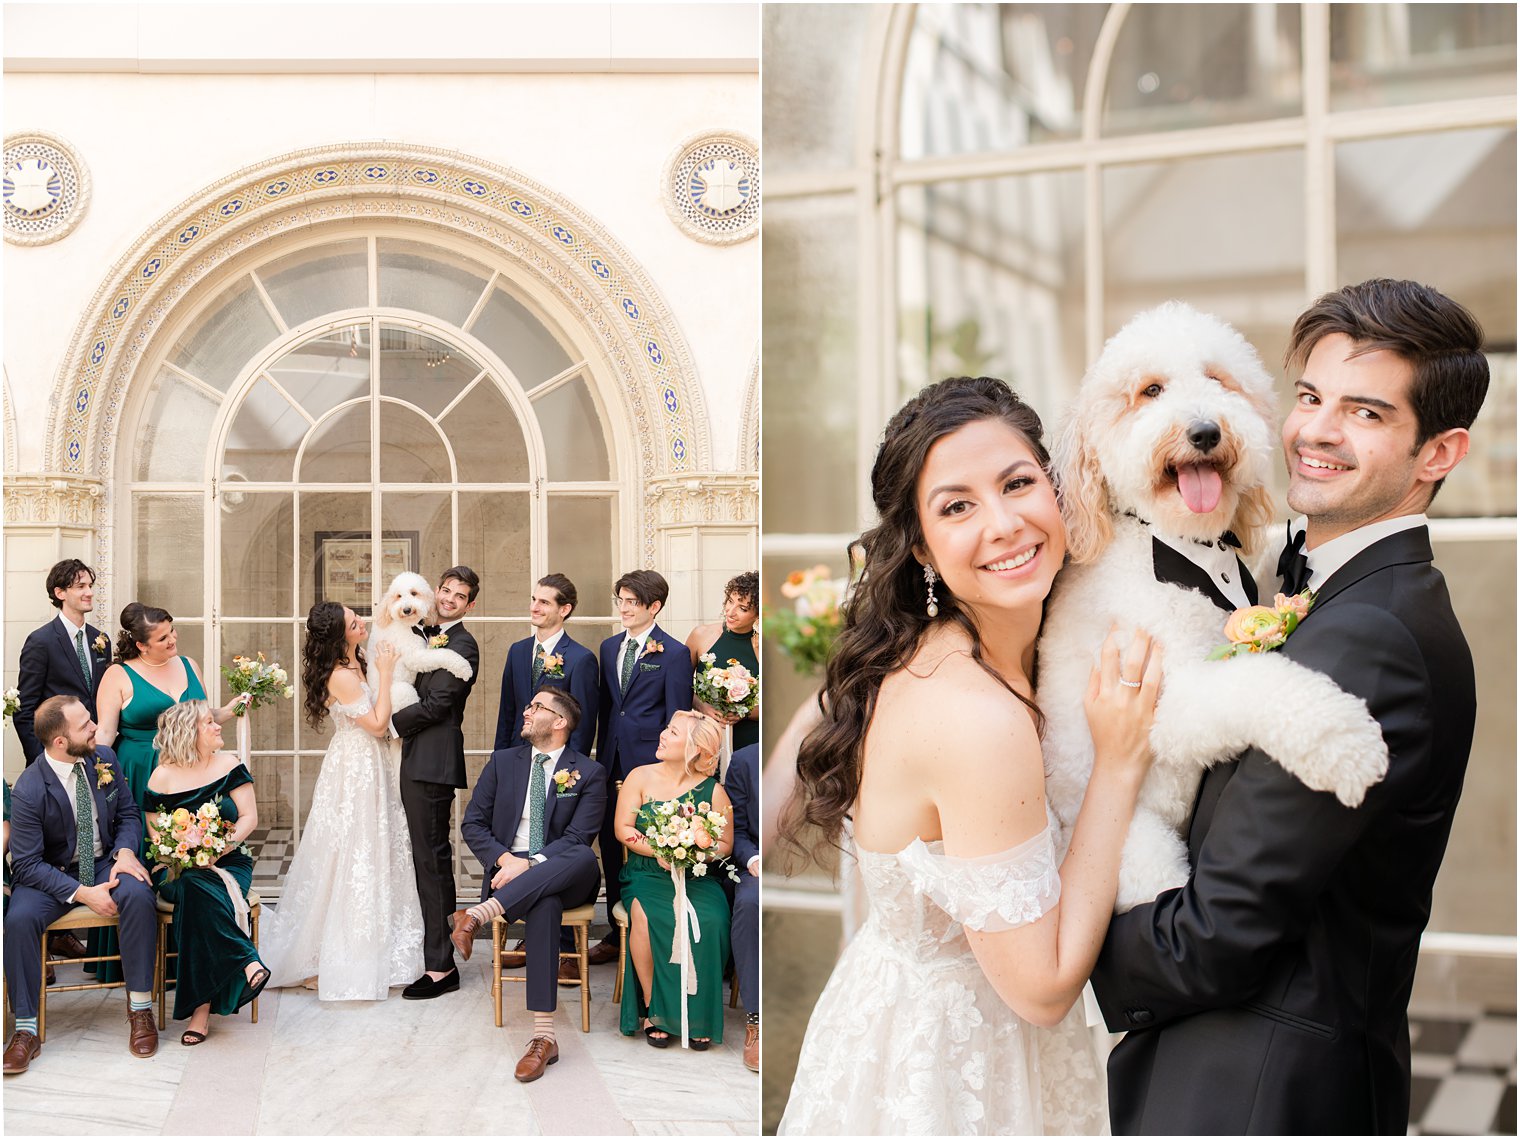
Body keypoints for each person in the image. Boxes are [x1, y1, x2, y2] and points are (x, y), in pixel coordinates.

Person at [1090, 279, 1489, 1135]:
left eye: (1367, 413)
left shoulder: (1375, 636)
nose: (1316, 431)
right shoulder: (1307, 583)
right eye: (1310, 397)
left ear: (1439, 453)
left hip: (1254, 1094)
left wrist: (1057, 949)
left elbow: (1213, 935)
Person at [777, 376, 1161, 1135]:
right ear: (920, 544)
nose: (1006, 524)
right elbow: (1043, 987)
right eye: (957, 506)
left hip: (917, 1023)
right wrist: (1119, 764)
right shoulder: (974, 714)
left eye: (1019, 484)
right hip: (951, 1074)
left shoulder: (957, 646)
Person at [260, 603, 423, 999]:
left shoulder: (356, 659)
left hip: (369, 764)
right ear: (340, 635)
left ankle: (376, 946)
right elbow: (379, 725)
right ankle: (335, 955)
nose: (362, 623)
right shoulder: (341, 676)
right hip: (356, 766)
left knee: (368, 849)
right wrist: (384, 676)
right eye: (354, 622)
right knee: (353, 851)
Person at [451, 686, 607, 1083]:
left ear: (560, 722)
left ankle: (478, 914)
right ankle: (543, 1037)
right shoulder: (504, 762)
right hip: (514, 881)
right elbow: (473, 824)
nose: (526, 711)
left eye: (536, 707)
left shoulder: (589, 773)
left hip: (567, 873)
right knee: (544, 904)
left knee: (582, 855)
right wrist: (507, 860)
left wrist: (530, 864)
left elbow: (578, 838)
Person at [3, 695, 160, 1072]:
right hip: (51, 875)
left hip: (106, 862)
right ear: (60, 741)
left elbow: (128, 814)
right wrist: (81, 892)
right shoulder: (28, 788)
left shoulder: (103, 758)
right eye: (84, 725)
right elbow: (25, 864)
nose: (94, 728)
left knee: (139, 895)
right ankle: (25, 1030)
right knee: (18, 920)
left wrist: (124, 853)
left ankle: (140, 1009)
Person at [142, 700, 270, 1045]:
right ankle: (246, 961)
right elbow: (157, 837)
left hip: (230, 860)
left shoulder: (230, 764)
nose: (217, 727)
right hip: (176, 868)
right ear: (188, 732)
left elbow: (248, 818)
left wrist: (218, 847)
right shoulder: (162, 777)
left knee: (199, 894)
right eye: (208, 723)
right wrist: (186, 854)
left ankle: (200, 1009)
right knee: (194, 884)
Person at [614, 709, 734, 1049]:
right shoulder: (640, 776)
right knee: (647, 915)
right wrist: (661, 851)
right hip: (646, 872)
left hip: (696, 878)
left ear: (694, 749)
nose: (663, 735)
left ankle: (699, 1017)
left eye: (673, 732)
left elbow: (724, 843)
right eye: (667, 729)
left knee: (711, 920)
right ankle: (656, 1009)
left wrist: (695, 854)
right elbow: (623, 829)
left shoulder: (713, 791)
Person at [590, 570, 692, 965]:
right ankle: (618, 937)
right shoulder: (608, 646)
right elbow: (607, 707)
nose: (624, 609)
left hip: (650, 765)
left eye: (632, 602)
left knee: (648, 846)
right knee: (613, 844)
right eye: (621, 600)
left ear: (655, 607)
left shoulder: (675, 653)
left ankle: (651, 933)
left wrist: (668, 773)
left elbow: (677, 716)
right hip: (610, 761)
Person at [393, 566, 481, 999]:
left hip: (431, 764)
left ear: (470, 605)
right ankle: (427, 948)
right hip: (408, 761)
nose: (448, 599)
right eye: (445, 590)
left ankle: (441, 968)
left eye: (458, 595)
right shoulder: (418, 631)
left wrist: (386, 724)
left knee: (431, 860)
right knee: (421, 859)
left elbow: (437, 703)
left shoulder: (463, 645)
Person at [95, 602, 248, 805]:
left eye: (172, 631)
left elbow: (200, 718)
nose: (172, 639)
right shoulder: (117, 675)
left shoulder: (189, 665)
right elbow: (105, 732)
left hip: (191, 763)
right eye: (162, 638)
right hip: (141, 766)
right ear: (142, 645)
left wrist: (229, 711)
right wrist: (90, 767)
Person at [13, 560, 111, 765]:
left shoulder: (100, 639)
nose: (89, 592)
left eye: (90, 586)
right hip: (57, 754)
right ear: (60, 593)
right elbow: (25, 710)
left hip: (96, 754)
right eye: (81, 586)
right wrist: (43, 759)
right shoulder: (40, 642)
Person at [493, 574, 597, 755]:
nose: (534, 607)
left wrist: (570, 772)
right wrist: (499, 761)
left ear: (564, 609)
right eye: (533, 599)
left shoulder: (581, 658)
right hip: (516, 754)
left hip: (556, 760)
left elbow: (583, 727)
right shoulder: (517, 651)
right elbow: (506, 714)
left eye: (544, 602)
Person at [685, 571, 760, 753]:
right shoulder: (700, 635)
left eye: (742, 608)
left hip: (750, 741)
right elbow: (679, 685)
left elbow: (774, 706)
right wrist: (701, 706)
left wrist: (744, 713)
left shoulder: (762, 646)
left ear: (758, 615)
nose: (731, 612)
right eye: (730, 601)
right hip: (704, 734)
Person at [723, 741, 760, 1072]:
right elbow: (737, 830)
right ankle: (757, 1020)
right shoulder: (746, 760)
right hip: (757, 864)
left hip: (811, 862)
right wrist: (754, 859)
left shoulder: (824, 751)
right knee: (750, 902)